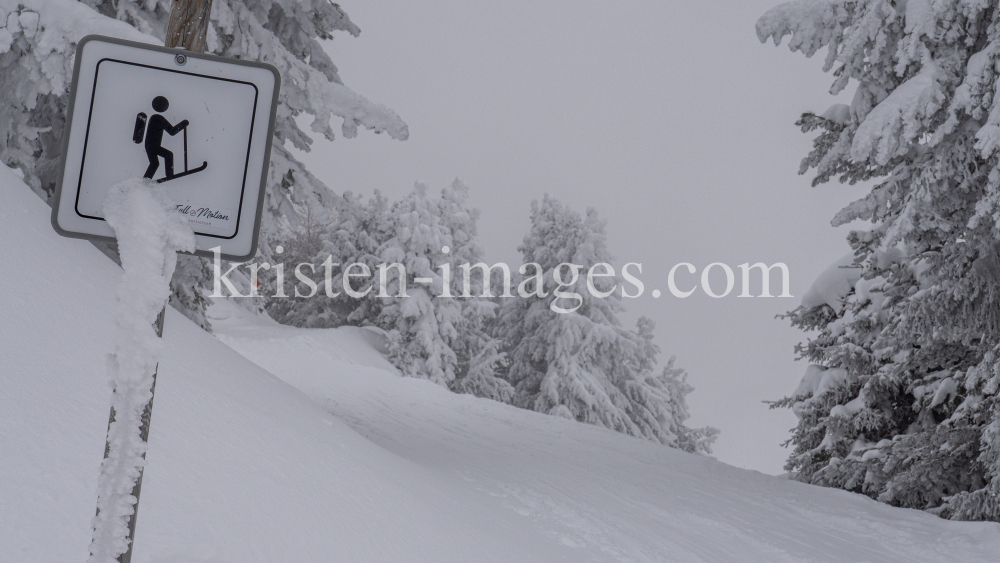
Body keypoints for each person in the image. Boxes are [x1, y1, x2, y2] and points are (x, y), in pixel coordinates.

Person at [143, 96, 188, 179]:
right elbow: (172, 131)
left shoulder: (154, 118)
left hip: (149, 145)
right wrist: (183, 124)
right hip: (153, 146)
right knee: (168, 155)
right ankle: (169, 175)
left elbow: (172, 131)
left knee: (155, 163)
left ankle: (146, 179)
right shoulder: (158, 118)